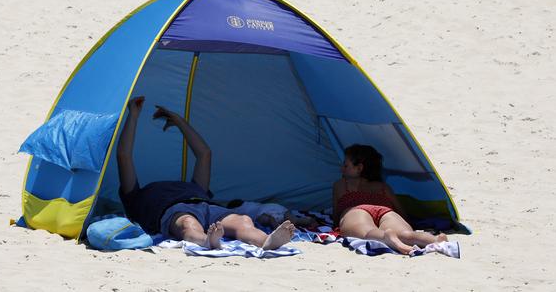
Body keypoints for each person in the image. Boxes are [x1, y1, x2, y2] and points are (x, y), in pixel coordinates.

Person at [117, 96, 295, 250]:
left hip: (207, 206)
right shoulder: (135, 196)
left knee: (243, 221)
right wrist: (132, 115)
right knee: (188, 224)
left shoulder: (196, 188)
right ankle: (206, 241)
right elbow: (123, 156)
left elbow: (204, 154)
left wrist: (180, 121)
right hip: (173, 211)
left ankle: (266, 241)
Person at [332, 144, 447, 254]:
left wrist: (341, 221)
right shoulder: (383, 187)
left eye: (346, 165)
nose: (342, 169)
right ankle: (436, 240)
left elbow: (336, 215)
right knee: (406, 234)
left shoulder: (341, 185)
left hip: (356, 211)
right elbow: (401, 213)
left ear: (359, 168)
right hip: (385, 211)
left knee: (368, 232)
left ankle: (385, 237)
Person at [227, 199, 318, 230]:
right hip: (274, 207)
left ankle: (275, 226)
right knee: (294, 220)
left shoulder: (236, 210)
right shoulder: (249, 203)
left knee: (265, 219)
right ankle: (310, 220)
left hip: (263, 212)